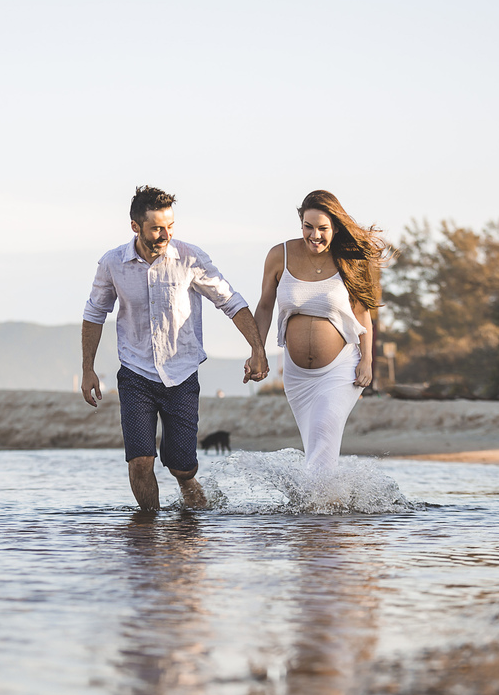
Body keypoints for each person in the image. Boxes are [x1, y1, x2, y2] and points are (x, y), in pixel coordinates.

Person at [82, 186, 270, 512]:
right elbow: (94, 313)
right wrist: (87, 368)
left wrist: (257, 349)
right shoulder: (113, 263)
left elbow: (230, 301)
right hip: (136, 373)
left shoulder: (190, 257)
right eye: (156, 228)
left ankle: (190, 498)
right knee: (140, 461)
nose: (165, 234)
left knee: (183, 467)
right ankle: (149, 536)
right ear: (135, 226)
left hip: (181, 373)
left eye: (170, 226)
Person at [249, 190, 390, 473]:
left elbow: (363, 313)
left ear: (335, 227)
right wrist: (257, 351)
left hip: (340, 369)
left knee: (324, 432)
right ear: (301, 223)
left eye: (323, 229)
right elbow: (264, 306)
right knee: (315, 445)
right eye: (308, 227)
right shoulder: (280, 256)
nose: (315, 235)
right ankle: (329, 508)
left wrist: (367, 361)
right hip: (297, 375)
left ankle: (319, 510)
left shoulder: (349, 259)